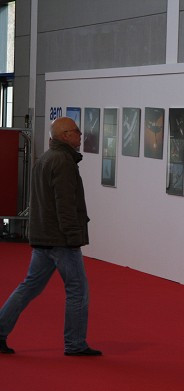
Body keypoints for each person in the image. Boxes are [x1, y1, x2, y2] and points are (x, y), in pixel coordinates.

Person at [0, 117, 101, 356]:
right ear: (65, 135)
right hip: (60, 239)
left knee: (29, 287)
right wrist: (73, 236)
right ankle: (75, 343)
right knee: (77, 289)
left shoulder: (46, 158)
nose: (80, 135)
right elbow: (65, 204)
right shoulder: (63, 162)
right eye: (76, 131)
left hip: (43, 236)